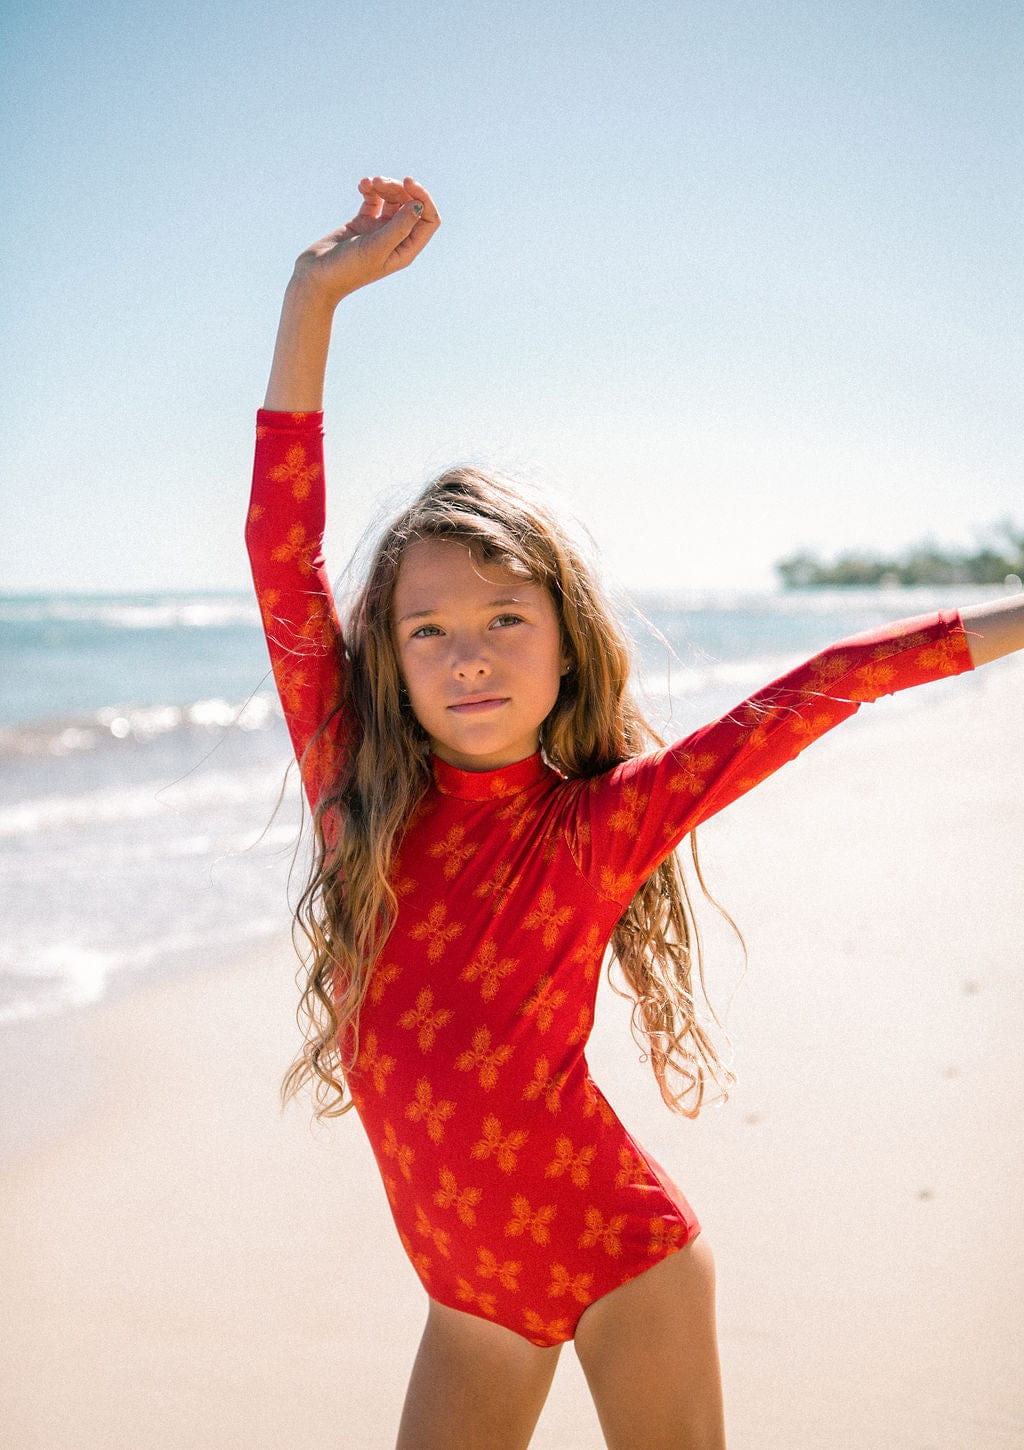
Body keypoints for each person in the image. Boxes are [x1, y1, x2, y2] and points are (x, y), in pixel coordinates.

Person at [246, 175, 1023, 1450]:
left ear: (565, 652)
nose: (469, 655)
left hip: (622, 1258)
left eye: (506, 620)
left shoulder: (603, 822)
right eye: (428, 628)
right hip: (468, 1295)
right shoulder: (356, 788)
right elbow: (283, 556)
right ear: (385, 657)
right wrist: (310, 296)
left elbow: (827, 683)